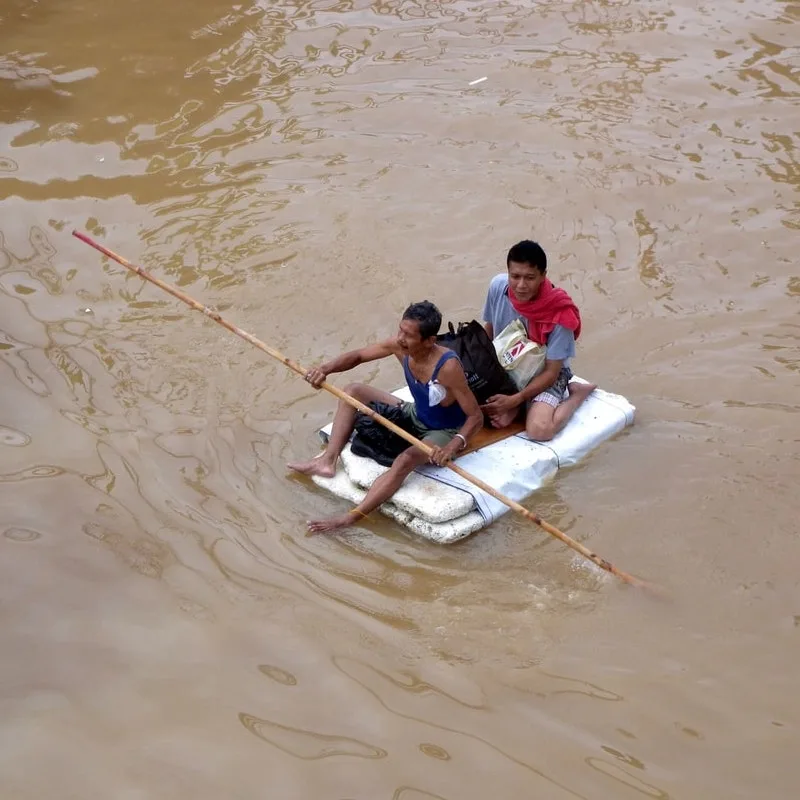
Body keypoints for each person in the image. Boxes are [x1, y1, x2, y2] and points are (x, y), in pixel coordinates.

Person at [288, 300, 483, 533]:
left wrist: (452, 447)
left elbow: (475, 417)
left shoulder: (448, 366)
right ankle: (327, 461)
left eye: (409, 335)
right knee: (353, 391)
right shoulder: (400, 346)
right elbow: (359, 356)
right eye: (401, 329)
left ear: (430, 341)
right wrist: (324, 369)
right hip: (415, 412)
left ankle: (350, 518)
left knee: (405, 459)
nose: (400, 338)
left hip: (443, 430)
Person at [480, 239, 597, 440]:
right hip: (506, 365)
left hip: (544, 374)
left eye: (530, 278)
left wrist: (514, 400)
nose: (521, 285)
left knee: (539, 430)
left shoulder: (560, 314)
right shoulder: (497, 287)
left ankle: (577, 394)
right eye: (515, 276)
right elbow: (488, 332)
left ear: (543, 276)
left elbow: (552, 372)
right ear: (507, 273)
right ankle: (518, 409)